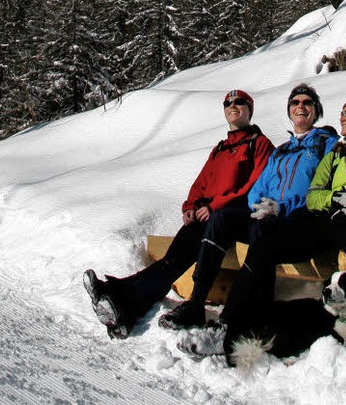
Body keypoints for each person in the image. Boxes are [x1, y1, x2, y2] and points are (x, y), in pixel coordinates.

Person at [221, 96, 346, 358]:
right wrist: (333, 199)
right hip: (331, 220)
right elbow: (314, 195)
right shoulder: (335, 157)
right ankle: (228, 323)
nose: (342, 116)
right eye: (341, 111)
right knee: (267, 243)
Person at [83, 90, 274, 339]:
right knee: (171, 263)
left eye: (240, 103)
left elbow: (253, 185)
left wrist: (215, 206)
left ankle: (116, 295)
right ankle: (123, 310)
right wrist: (190, 207)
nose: (233, 106)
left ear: (250, 110)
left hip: (228, 219)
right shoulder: (221, 148)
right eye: (228, 103)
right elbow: (201, 183)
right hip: (204, 216)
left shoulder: (259, 144)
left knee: (173, 262)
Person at [158, 83, 339, 330]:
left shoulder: (327, 144)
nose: (300, 106)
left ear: (316, 110)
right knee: (222, 218)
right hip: (268, 215)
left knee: (263, 233)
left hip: (299, 219)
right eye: (295, 103)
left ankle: (235, 320)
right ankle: (196, 302)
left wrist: (281, 207)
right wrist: (258, 205)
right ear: (289, 111)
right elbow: (259, 186)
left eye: (307, 102)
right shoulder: (282, 151)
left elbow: (322, 186)